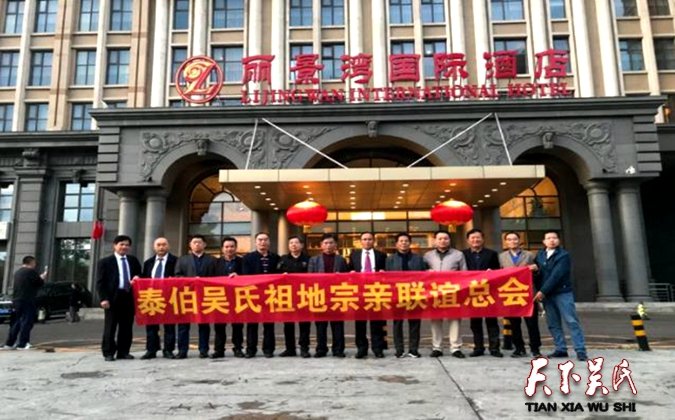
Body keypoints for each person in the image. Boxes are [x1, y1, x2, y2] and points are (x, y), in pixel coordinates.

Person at [534, 230, 588, 362]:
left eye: (554, 238)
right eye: (548, 238)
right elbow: (538, 273)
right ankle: (560, 348)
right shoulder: (540, 255)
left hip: (562, 293)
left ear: (558, 240)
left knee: (571, 321)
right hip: (548, 295)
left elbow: (556, 275)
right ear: (544, 241)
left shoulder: (563, 255)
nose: (552, 240)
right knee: (553, 323)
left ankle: (580, 350)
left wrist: (542, 291)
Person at [96, 235, 142, 361]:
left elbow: (139, 273)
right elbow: (100, 282)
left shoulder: (133, 260)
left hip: (128, 296)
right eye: (121, 244)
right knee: (110, 326)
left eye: (127, 245)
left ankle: (123, 351)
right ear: (115, 246)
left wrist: (137, 277)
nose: (124, 247)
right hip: (112, 298)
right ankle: (108, 352)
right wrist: (103, 299)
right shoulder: (105, 262)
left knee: (126, 326)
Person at [424, 230, 466, 359]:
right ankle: (437, 347)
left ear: (449, 240)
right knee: (435, 319)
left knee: (454, 319)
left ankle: (455, 347)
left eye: (446, 238)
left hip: (453, 291)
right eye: (440, 238)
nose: (443, 241)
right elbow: (421, 273)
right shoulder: (428, 255)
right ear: (435, 240)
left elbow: (465, 272)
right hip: (434, 292)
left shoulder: (458, 254)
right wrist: (427, 272)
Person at [498, 231, 542, 358]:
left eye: (515, 239)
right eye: (509, 239)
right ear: (506, 242)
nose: (512, 241)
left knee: (532, 323)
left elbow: (538, 272)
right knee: (514, 324)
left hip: (528, 293)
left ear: (519, 241)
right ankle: (519, 348)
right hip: (510, 294)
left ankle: (535, 348)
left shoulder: (529, 255)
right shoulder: (501, 257)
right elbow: (498, 274)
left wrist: (535, 269)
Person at [175, 235, 217, 359]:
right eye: (194, 242)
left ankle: (203, 350)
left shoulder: (212, 260)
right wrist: (191, 280)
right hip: (187, 295)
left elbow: (217, 277)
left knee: (204, 324)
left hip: (205, 296)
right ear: (190, 245)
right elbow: (177, 276)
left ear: (204, 245)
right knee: (183, 325)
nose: (197, 244)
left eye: (199, 242)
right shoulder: (182, 260)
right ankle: (182, 351)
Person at [462, 228, 503, 358]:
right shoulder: (463, 254)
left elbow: (498, 271)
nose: (475, 240)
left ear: (483, 239)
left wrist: (492, 272)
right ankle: (478, 348)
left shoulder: (492, 254)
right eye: (472, 238)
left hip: (489, 292)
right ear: (468, 240)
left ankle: (494, 348)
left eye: (478, 237)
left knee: (492, 322)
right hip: (472, 292)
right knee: (475, 323)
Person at [386, 233, 427, 358]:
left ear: (410, 243)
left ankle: (413, 349)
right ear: (396, 244)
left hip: (415, 294)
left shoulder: (418, 259)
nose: (403, 243)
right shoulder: (390, 259)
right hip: (397, 295)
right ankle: (399, 349)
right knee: (397, 323)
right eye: (401, 241)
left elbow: (424, 276)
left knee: (415, 323)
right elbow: (387, 278)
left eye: (406, 241)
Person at [308, 233, 349, 358]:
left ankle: (338, 349)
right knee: (321, 325)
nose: (328, 245)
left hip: (337, 296)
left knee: (337, 325)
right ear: (321, 245)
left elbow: (347, 278)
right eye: (325, 243)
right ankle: (321, 349)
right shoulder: (314, 260)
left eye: (331, 243)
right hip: (320, 296)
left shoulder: (341, 260)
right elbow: (309, 279)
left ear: (336, 245)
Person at [349, 231, 387, 358]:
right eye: (364, 239)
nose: (367, 241)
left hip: (376, 291)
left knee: (376, 322)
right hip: (359, 292)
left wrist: (383, 273)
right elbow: (349, 270)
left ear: (373, 241)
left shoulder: (381, 255)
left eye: (370, 239)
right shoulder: (354, 255)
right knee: (360, 322)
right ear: (360, 241)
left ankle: (377, 348)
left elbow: (386, 271)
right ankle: (361, 348)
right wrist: (351, 272)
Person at [242, 232, 280, 358]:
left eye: (265, 239)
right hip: (253, 295)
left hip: (270, 295)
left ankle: (268, 349)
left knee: (269, 324)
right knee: (252, 324)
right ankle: (251, 350)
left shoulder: (275, 257)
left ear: (269, 242)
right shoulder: (248, 258)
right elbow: (245, 276)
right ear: (255, 242)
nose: (262, 242)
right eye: (260, 240)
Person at [140, 237, 178, 360]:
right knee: (151, 326)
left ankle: (168, 350)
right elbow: (144, 279)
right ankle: (151, 350)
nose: (161, 247)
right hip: (152, 297)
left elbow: (180, 277)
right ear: (154, 247)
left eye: (164, 244)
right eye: (158, 245)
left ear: (168, 246)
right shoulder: (148, 262)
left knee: (169, 326)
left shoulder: (176, 261)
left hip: (169, 297)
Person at [2, 256, 46, 350]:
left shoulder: (17, 272)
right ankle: (23, 343)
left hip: (16, 300)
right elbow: (39, 283)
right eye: (34, 263)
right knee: (27, 321)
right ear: (31, 262)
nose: (35, 265)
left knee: (15, 322)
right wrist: (42, 277)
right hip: (27, 299)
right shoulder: (31, 272)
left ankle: (10, 343)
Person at [277, 235, 310, 357]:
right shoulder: (282, 259)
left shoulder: (308, 259)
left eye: (296, 243)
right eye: (291, 243)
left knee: (304, 323)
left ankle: (304, 348)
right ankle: (290, 348)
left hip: (304, 295)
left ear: (302, 245)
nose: (294, 245)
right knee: (288, 324)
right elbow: (276, 274)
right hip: (287, 295)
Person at [212, 236, 244, 358]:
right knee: (219, 326)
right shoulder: (215, 262)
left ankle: (238, 348)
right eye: (226, 247)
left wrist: (239, 277)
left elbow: (249, 276)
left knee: (238, 325)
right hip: (220, 297)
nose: (229, 249)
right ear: (222, 248)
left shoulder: (242, 262)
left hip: (238, 297)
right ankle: (219, 350)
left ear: (236, 248)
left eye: (232, 246)